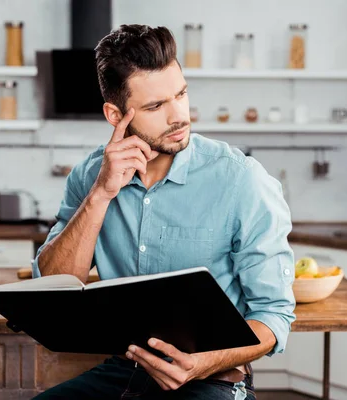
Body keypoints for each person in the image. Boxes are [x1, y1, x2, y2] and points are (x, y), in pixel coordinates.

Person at [31, 24, 296, 400]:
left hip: (214, 378)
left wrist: (201, 363)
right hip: (125, 371)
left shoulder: (242, 180)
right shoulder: (91, 177)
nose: (179, 116)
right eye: (156, 106)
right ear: (114, 114)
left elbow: (274, 316)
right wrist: (101, 195)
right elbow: (54, 289)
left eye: (181, 94)